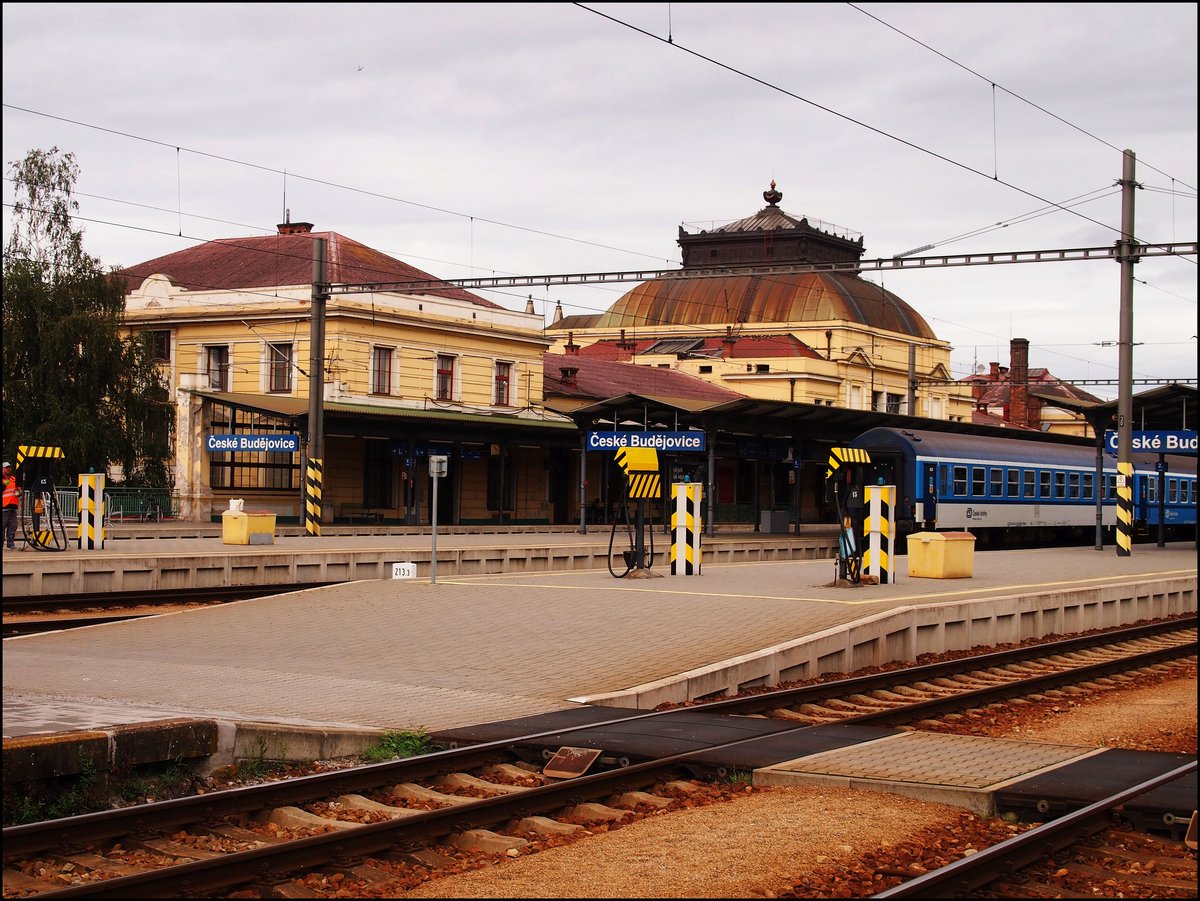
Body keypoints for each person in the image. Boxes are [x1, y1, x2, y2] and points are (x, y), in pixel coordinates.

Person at [3, 462, 20, 550]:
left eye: (9, 467)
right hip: (4, 508)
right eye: (6, 467)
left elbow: (19, 491)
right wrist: (6, 483)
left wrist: (19, 492)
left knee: (12, 526)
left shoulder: (14, 479)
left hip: (13, 507)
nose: (8, 469)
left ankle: (10, 544)